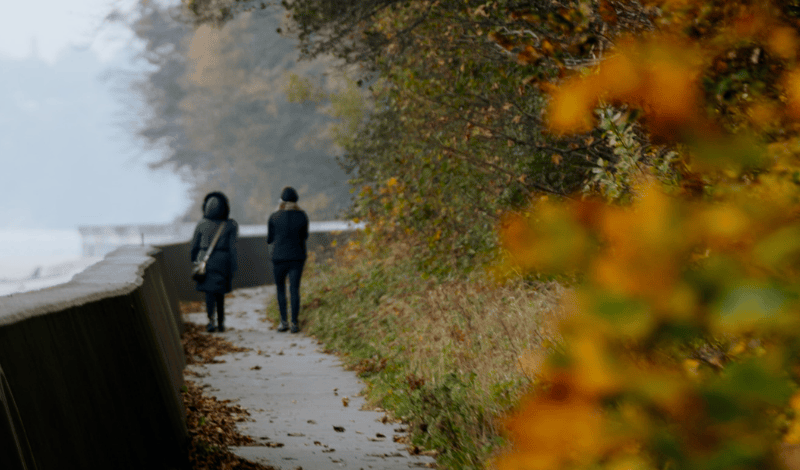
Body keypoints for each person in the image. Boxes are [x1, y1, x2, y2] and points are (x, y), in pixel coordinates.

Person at [191, 191, 238, 333]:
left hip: (205, 260)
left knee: (209, 294)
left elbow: (194, 246)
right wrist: (233, 267)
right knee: (220, 294)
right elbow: (232, 249)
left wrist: (196, 261)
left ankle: (210, 321)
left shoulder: (201, 224)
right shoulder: (230, 225)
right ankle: (221, 323)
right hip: (223, 261)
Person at [267, 186, 309, 333]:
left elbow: (269, 239)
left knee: (280, 289)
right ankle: (294, 323)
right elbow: (305, 236)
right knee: (294, 289)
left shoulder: (274, 216)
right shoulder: (302, 216)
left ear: (282, 200)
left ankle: (283, 322)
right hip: (297, 257)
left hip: (278, 258)